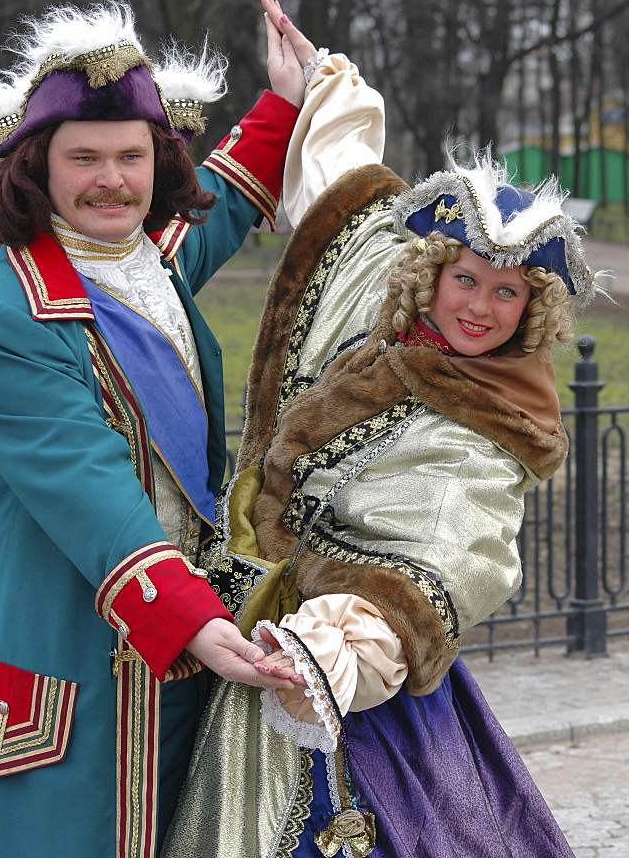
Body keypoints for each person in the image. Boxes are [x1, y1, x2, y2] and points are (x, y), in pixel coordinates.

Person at [160, 43, 599, 857]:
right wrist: (324, 84)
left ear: (530, 314)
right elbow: (344, 184)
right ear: (428, 273)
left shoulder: (493, 424)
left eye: (507, 294)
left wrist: (339, 647)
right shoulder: (382, 303)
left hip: (335, 677)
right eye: (466, 280)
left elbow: (454, 550)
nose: (480, 307)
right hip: (243, 627)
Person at [0, 0, 319, 857]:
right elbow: (87, 487)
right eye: (83, 157)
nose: (111, 179)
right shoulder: (4, 314)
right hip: (78, 659)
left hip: (183, 650)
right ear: (37, 169)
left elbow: (226, 204)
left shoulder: (145, 261)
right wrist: (192, 618)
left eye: (131, 156)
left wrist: (284, 100)